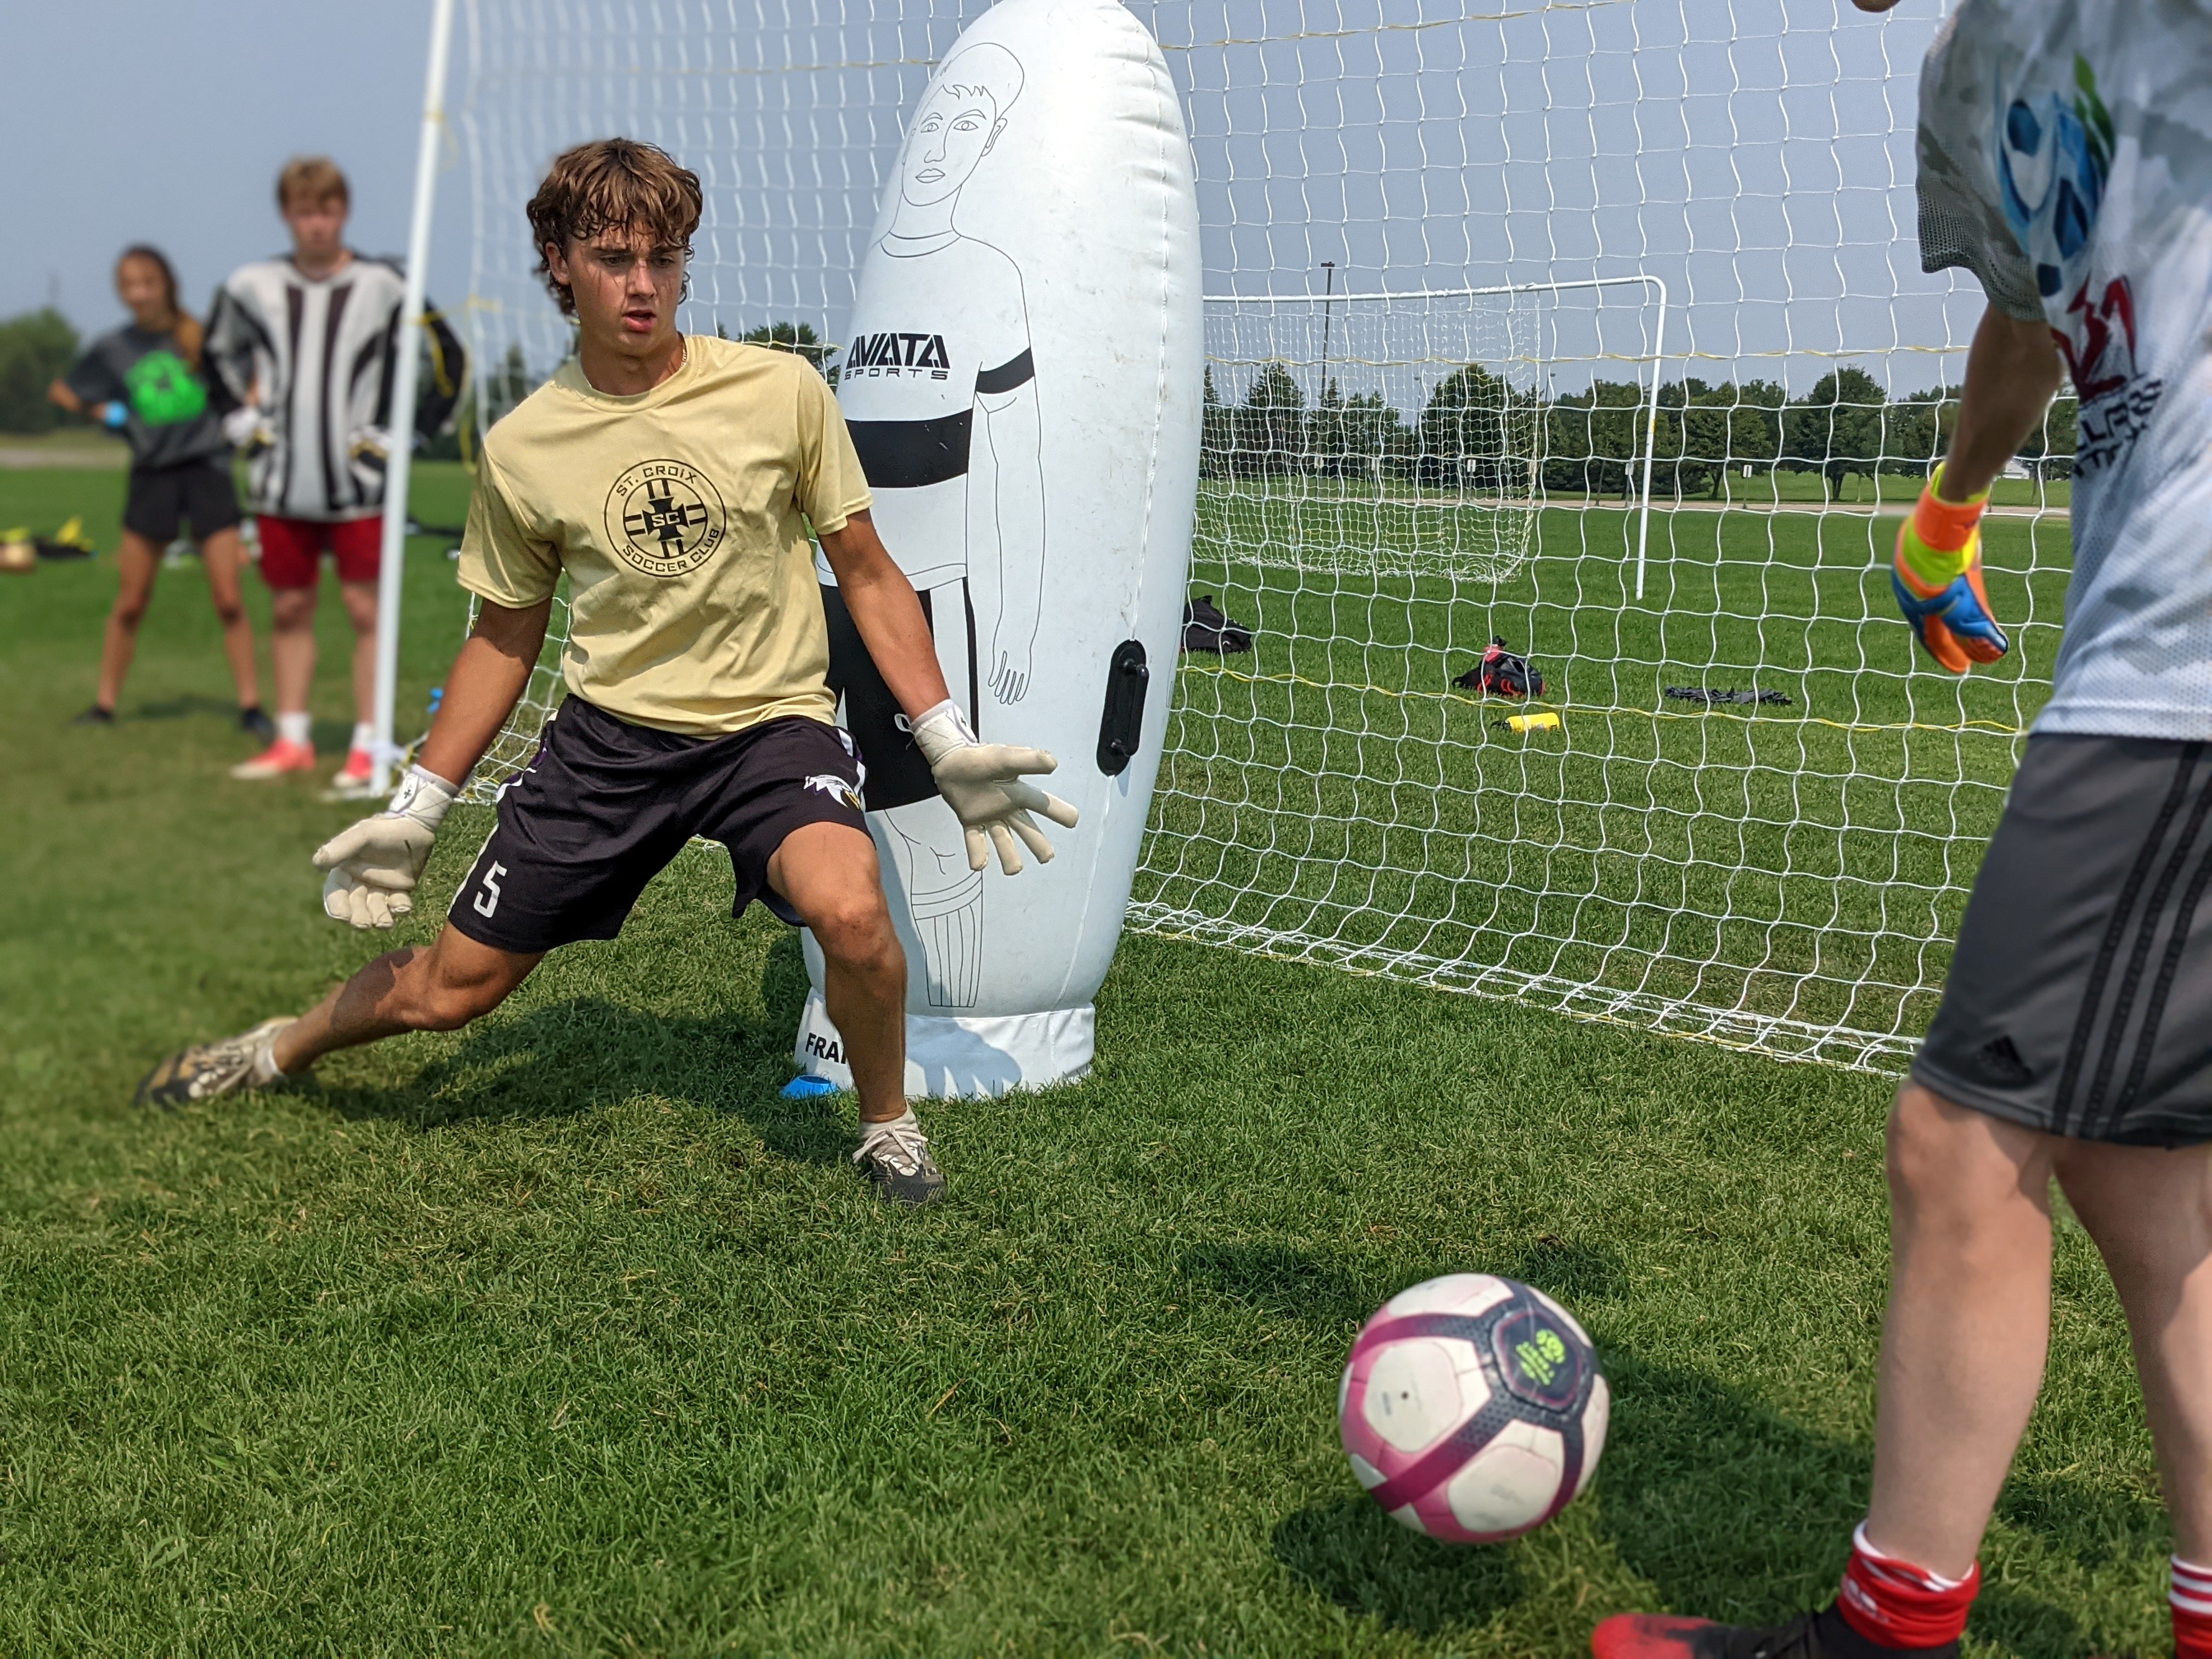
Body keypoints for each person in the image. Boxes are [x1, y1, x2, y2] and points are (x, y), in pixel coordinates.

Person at [1595, 6, 2212, 1659]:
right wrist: (1951, 505)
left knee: (1964, 1147)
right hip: (2142, 644)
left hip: (2190, 672)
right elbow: (2035, 311)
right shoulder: (1968, 85)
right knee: (2149, 1181)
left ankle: (1888, 1636)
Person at [133, 139, 1077, 1206]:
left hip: (770, 729)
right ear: (558, 261)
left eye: (665, 258)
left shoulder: (782, 392)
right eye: (617, 257)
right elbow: (503, 635)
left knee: (853, 914)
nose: (644, 284)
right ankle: (272, 1049)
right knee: (450, 993)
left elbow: (865, 571)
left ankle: (887, 1128)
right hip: (609, 744)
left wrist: (941, 733)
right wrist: (419, 802)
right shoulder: (525, 446)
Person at [205, 156, 464, 790]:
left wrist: (409, 434)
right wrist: (240, 419)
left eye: (326, 210)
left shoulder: (386, 284)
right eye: (303, 212)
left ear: (342, 213)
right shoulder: (250, 285)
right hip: (282, 481)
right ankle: (292, 739)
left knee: (363, 609)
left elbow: (448, 358)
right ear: (287, 216)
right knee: (290, 607)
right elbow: (213, 356)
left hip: (361, 486)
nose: (316, 224)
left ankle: (366, 745)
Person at [48, 245, 268, 737]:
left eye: (147, 283)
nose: (139, 294)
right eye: (128, 286)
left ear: (167, 284)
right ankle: (104, 705)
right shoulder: (112, 348)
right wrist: (101, 411)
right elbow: (64, 390)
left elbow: (251, 367)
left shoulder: (201, 335)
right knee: (131, 602)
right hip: (152, 476)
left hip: (207, 471)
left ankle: (252, 707)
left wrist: (250, 403)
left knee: (229, 600)